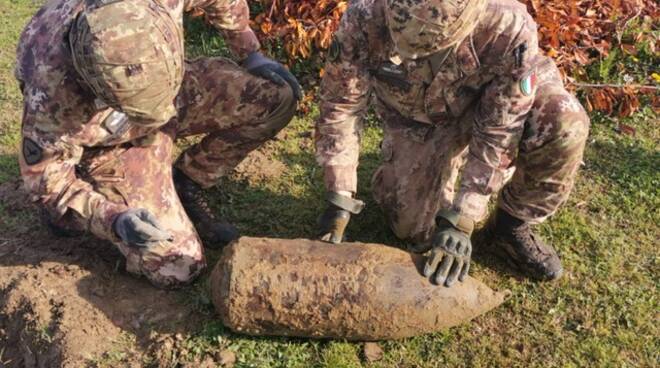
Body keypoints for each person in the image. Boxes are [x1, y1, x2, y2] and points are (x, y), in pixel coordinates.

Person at [15, 0, 301, 288]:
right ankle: (95, 191)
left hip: (168, 87)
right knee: (177, 264)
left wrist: (249, 51)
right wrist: (113, 219)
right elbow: (47, 182)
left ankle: (189, 180)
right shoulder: (52, 91)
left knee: (275, 97)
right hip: (113, 142)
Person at [315, 0, 590, 287]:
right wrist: (339, 196)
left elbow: (500, 131)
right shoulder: (364, 16)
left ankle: (510, 227)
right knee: (413, 228)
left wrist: (464, 217)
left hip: (494, 108)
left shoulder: (507, 28)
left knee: (563, 119)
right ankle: (432, 167)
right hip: (421, 120)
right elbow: (341, 105)